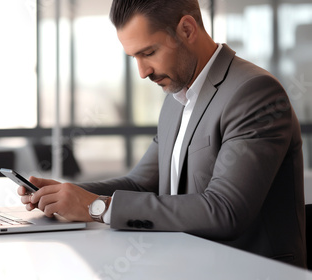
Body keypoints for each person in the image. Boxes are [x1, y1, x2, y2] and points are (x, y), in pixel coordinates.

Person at [17, 0, 306, 268]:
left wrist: (95, 207)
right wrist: (62, 195)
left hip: (249, 270)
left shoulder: (254, 93)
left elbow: (225, 209)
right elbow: (140, 183)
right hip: (187, 263)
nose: (142, 72)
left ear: (187, 29)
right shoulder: (176, 97)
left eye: (149, 52)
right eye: (134, 57)